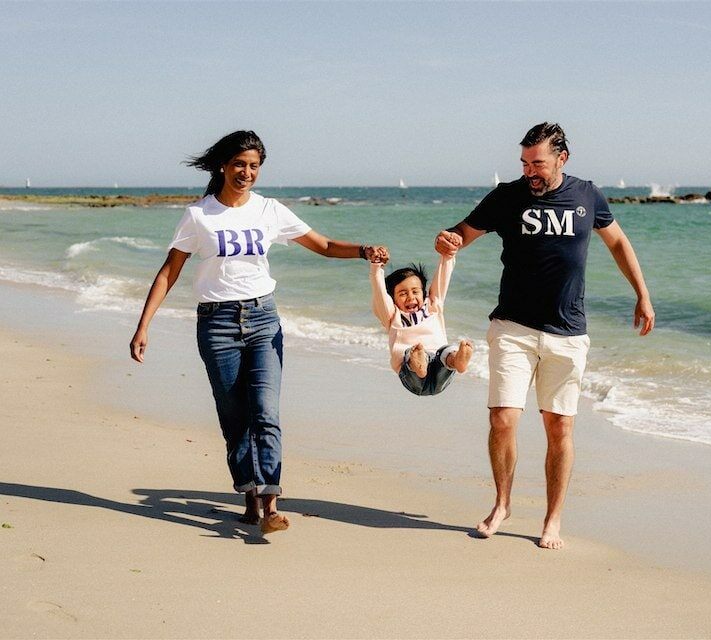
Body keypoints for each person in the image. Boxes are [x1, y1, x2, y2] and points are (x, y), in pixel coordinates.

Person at [129, 130, 388, 535]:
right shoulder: (200, 215)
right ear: (223, 166)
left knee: (266, 412)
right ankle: (250, 499)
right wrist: (143, 325)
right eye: (239, 165)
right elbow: (170, 270)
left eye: (253, 166)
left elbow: (321, 244)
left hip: (264, 319)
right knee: (235, 419)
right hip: (216, 325)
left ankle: (270, 504)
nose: (247, 172)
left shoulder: (269, 210)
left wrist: (362, 250)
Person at [435, 122, 655, 549]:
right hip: (512, 327)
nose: (529, 171)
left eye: (537, 163)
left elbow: (618, 244)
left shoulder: (587, 195)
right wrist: (447, 240)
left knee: (559, 428)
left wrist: (642, 296)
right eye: (524, 163)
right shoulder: (507, 196)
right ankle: (502, 504)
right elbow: (462, 233)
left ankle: (553, 519)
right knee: (503, 418)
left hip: (568, 332)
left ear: (561, 158)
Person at [370, 252, 473, 396]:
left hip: (440, 368)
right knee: (411, 354)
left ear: (423, 293)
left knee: (447, 351)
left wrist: (448, 255)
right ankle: (419, 362)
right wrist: (376, 269)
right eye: (403, 294)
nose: (410, 297)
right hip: (411, 375)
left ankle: (457, 361)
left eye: (415, 291)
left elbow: (443, 278)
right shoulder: (392, 315)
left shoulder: (432, 306)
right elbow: (379, 295)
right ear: (392, 299)